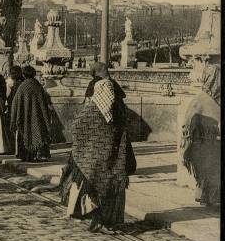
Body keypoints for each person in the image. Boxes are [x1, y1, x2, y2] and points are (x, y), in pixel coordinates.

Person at [59, 64, 137, 232]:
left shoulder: (90, 110)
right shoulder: (109, 107)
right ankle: (103, 220)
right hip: (106, 158)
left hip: (104, 158)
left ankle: (101, 219)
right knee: (107, 187)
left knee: (101, 186)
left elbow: (77, 128)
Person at [180, 63, 220, 206]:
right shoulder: (201, 100)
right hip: (203, 145)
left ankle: (208, 198)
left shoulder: (215, 100)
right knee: (208, 171)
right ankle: (208, 198)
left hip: (211, 144)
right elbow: (189, 127)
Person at [9, 65, 52, 161]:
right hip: (37, 116)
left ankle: (26, 156)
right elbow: (44, 102)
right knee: (38, 133)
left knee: (25, 134)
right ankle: (40, 155)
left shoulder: (22, 87)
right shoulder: (38, 86)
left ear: (24, 75)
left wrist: (13, 120)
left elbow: (15, 104)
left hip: (25, 118)